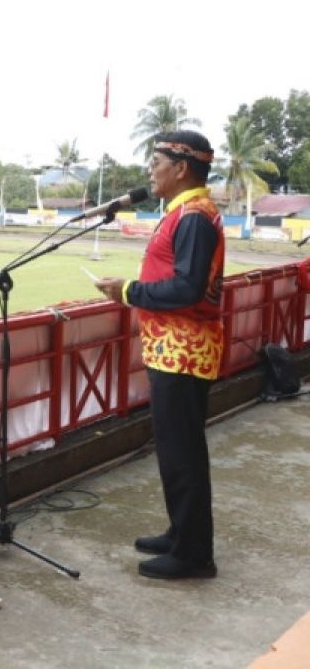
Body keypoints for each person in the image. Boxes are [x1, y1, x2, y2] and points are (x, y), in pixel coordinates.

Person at [94, 130, 223, 581]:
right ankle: (182, 533)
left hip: (183, 351)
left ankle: (193, 554)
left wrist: (129, 290)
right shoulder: (186, 214)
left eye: (156, 161)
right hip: (174, 348)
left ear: (181, 167)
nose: (151, 170)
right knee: (177, 449)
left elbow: (187, 287)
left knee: (181, 451)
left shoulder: (192, 217)